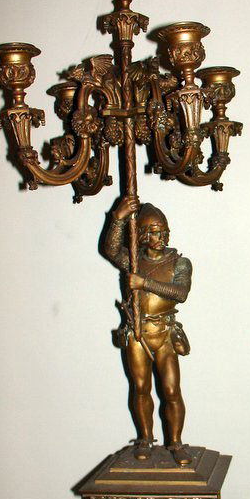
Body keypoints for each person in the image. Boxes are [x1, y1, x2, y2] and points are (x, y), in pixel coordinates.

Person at [104, 195, 192, 465]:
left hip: (164, 333)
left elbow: (180, 293)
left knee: (171, 390)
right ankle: (145, 438)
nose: (160, 237)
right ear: (142, 235)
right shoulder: (133, 259)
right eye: (154, 232)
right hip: (137, 333)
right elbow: (110, 250)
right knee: (141, 387)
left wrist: (144, 283)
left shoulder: (179, 263)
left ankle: (175, 441)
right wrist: (118, 218)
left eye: (163, 231)